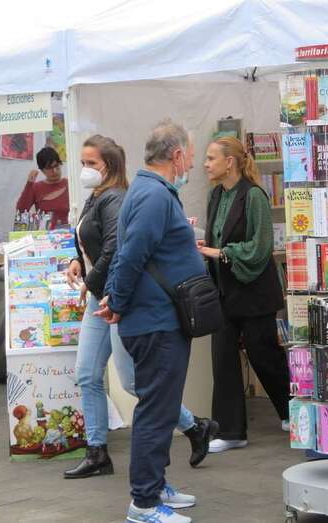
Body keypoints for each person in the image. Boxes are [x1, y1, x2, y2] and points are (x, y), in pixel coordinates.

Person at [64, 135, 217, 483]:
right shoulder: (98, 197)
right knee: (87, 374)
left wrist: (100, 286)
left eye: (91, 163)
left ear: (109, 165)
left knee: (136, 381)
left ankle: (192, 428)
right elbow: (95, 242)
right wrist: (78, 262)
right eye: (83, 163)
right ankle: (97, 451)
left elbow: (121, 251)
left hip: (118, 300)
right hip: (105, 299)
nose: (85, 170)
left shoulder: (121, 197)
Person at [98, 119, 205, 523]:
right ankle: (143, 504)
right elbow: (130, 255)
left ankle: (155, 487)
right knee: (156, 413)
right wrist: (117, 300)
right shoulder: (154, 195)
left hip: (157, 319)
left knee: (160, 408)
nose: (191, 162)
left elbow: (127, 252)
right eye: (190, 155)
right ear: (176, 155)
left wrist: (115, 297)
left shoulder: (147, 191)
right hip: (156, 322)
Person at [199, 136, 291, 454]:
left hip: (254, 293)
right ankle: (230, 431)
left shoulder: (254, 196)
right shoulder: (215, 196)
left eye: (211, 158)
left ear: (230, 162)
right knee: (222, 358)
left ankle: (292, 410)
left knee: (263, 354)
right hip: (224, 291)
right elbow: (217, 237)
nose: (205, 164)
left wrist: (221, 252)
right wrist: (204, 245)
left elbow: (261, 247)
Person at [16, 146, 69, 228]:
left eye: (56, 166)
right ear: (42, 170)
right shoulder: (36, 187)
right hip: (45, 234)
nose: (55, 171)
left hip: (69, 232)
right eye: (49, 168)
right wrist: (29, 184)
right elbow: (21, 210)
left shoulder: (70, 185)